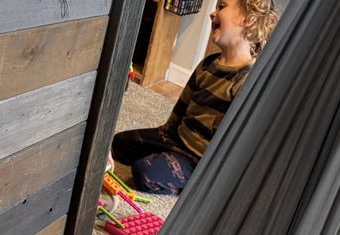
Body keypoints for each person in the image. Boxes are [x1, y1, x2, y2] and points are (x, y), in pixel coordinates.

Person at [109, 0, 279, 194]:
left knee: (145, 174)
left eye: (222, 7)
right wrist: (161, 137)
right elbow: (180, 110)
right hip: (178, 139)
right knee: (119, 143)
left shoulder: (247, 80)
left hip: (199, 159)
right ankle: (165, 159)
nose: (212, 13)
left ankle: (192, 183)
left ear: (248, 20)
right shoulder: (207, 64)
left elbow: (237, 143)